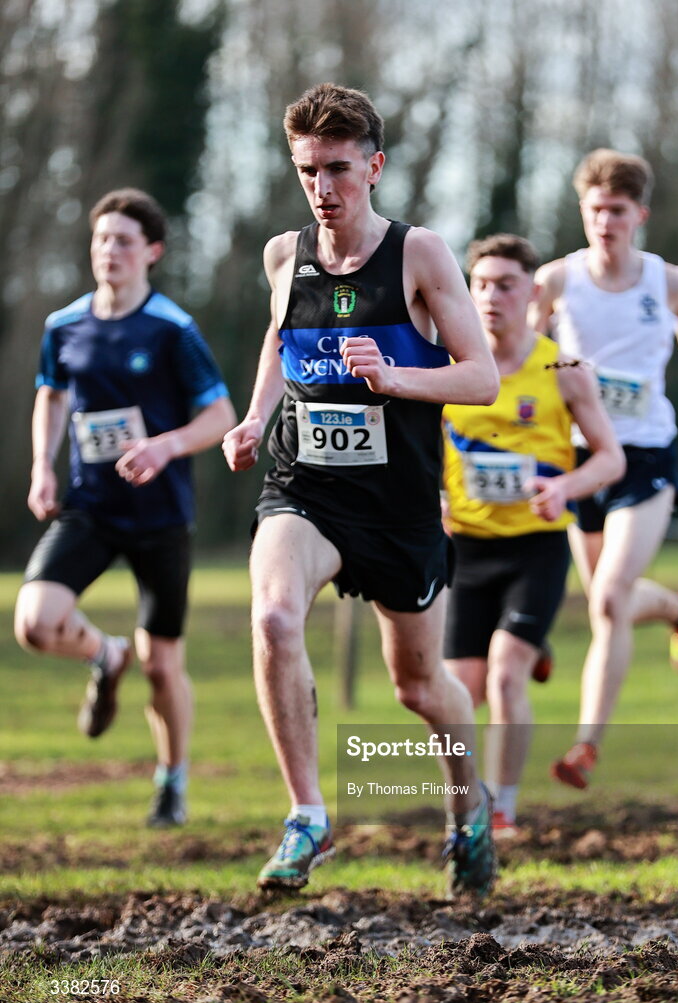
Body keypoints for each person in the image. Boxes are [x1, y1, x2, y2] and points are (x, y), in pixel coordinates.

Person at [222, 82, 500, 897]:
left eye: (338, 169)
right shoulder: (285, 254)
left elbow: (480, 377)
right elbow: (281, 342)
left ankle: (468, 808)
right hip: (304, 486)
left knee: (418, 686)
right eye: (308, 171)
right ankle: (307, 815)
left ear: (374, 166)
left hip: (400, 507)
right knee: (273, 616)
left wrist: (397, 377)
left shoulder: (419, 254)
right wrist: (252, 418)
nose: (323, 188)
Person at [14, 188, 236, 826]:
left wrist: (166, 447)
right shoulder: (64, 326)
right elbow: (51, 396)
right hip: (90, 505)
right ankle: (103, 655)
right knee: (34, 621)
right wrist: (40, 467)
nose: (109, 251)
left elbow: (219, 415)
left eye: (123, 241)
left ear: (152, 252)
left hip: (161, 514)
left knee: (164, 667)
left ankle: (172, 781)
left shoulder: (173, 329)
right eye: (101, 240)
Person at [532, 149, 678, 789]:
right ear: (583, 211)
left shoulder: (668, 281)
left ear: (638, 214)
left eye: (616, 211)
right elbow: (523, 347)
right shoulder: (556, 281)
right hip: (580, 456)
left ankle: (586, 747)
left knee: (612, 598)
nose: (604, 222)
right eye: (594, 210)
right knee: (603, 603)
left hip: (645, 452)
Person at [442, 234, 623, 833]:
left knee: (505, 672)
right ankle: (465, 804)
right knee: (458, 695)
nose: (492, 297)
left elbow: (610, 458)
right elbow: (415, 452)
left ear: (532, 292)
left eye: (506, 284)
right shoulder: (446, 367)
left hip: (536, 547)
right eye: (482, 284)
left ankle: (502, 809)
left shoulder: (565, 368)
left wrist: (564, 490)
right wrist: (432, 498)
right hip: (464, 548)